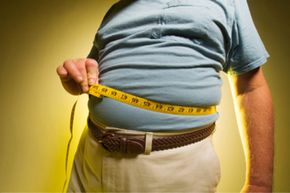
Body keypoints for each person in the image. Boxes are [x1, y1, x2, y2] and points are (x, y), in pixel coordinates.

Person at [56, 0, 274, 192]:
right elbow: (89, 78)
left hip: (177, 169)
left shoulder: (228, 3)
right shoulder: (116, 10)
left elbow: (251, 87)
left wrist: (259, 184)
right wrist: (74, 79)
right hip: (90, 158)